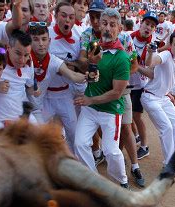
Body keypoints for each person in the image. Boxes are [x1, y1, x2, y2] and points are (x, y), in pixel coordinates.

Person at [74, 8, 130, 188]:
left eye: (112, 25)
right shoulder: (94, 46)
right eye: (104, 23)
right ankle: (94, 181)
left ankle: (121, 182)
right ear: (99, 25)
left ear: (119, 29)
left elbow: (116, 93)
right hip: (90, 108)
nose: (107, 28)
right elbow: (91, 76)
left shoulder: (121, 57)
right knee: (80, 143)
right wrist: (91, 65)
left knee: (111, 151)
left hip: (110, 110)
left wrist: (90, 100)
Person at [140, 32, 175, 172]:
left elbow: (165, 79)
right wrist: (151, 53)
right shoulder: (166, 55)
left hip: (163, 98)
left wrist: (168, 92)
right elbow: (151, 62)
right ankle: (169, 164)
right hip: (150, 97)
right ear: (170, 45)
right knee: (167, 128)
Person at [43, 2, 82, 153]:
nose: (67, 20)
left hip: (66, 93)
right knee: (39, 132)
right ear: (55, 16)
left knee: (74, 135)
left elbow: (82, 64)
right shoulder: (45, 34)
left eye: (71, 17)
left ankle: (76, 168)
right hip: (45, 95)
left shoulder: (79, 36)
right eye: (63, 16)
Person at [28, 23, 86, 124]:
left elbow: (73, 75)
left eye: (44, 39)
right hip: (22, 107)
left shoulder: (53, 61)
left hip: (38, 108)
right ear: (29, 42)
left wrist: (88, 77)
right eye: (36, 39)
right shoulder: (24, 59)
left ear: (49, 41)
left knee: (72, 132)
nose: (41, 43)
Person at [0, 29, 37, 128]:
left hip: (23, 116)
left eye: (26, 55)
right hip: (2, 119)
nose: (22, 60)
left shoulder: (29, 62)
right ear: (8, 47)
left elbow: (29, 87)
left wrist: (34, 90)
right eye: (18, 53)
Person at [130, 10, 158, 160]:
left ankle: (144, 146)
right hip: (126, 84)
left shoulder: (152, 46)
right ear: (141, 23)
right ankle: (135, 136)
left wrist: (136, 65)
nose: (148, 27)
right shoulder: (129, 37)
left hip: (140, 86)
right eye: (147, 23)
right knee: (126, 116)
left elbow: (150, 70)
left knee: (137, 116)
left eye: (152, 26)